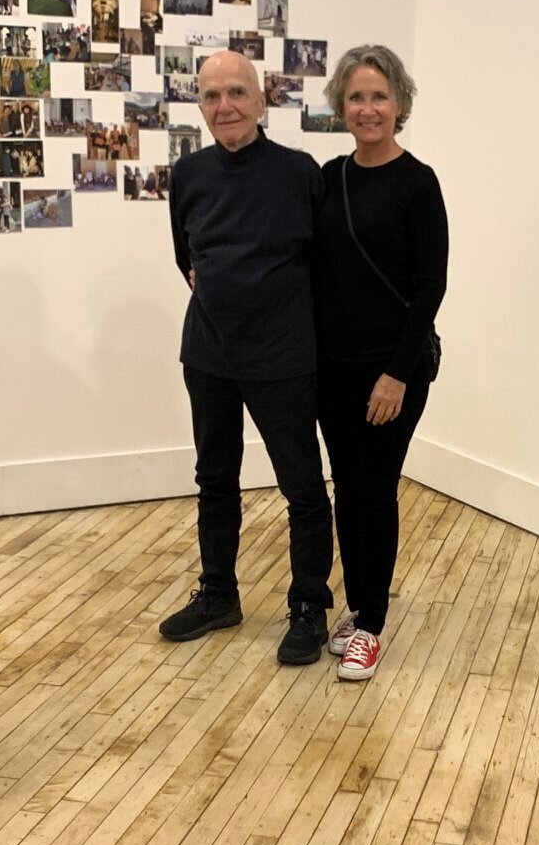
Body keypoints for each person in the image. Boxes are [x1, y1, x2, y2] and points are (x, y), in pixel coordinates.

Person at [160, 50, 332, 664]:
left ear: (261, 101)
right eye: (211, 96)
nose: (223, 106)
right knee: (214, 479)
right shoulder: (189, 174)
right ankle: (219, 594)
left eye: (236, 93)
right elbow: (187, 256)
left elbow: (323, 264)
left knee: (303, 487)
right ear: (199, 105)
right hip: (208, 353)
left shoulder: (300, 172)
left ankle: (309, 606)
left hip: (284, 357)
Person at [312, 44, 447, 681]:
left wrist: (396, 373)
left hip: (392, 371)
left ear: (400, 105)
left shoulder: (418, 183)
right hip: (332, 368)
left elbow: (430, 288)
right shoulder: (330, 176)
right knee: (347, 489)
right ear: (342, 104)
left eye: (380, 97)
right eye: (357, 96)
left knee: (376, 490)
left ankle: (371, 623)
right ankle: (360, 598)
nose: (368, 108)